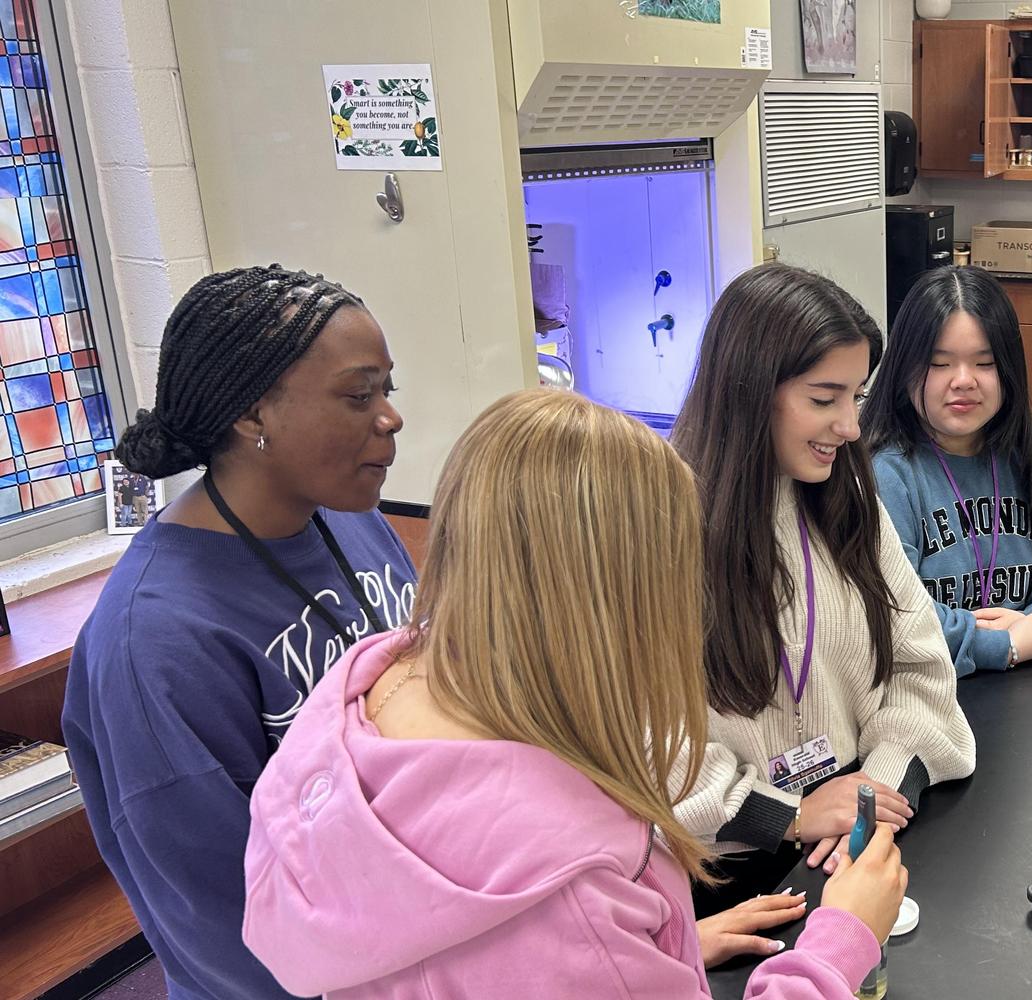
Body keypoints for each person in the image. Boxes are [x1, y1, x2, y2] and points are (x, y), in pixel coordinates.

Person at [242, 390, 905, 998]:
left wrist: (652, 950)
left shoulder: (364, 692)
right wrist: (840, 941)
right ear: (618, 598)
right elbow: (555, 938)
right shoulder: (573, 891)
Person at [61, 266, 416, 1000]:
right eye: (359, 396)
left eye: (388, 390)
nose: (390, 418)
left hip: (419, 935)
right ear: (253, 415)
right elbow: (219, 915)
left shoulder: (350, 519)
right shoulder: (152, 640)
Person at [672, 263, 977, 911]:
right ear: (748, 392)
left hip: (850, 837)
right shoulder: (659, 525)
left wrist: (873, 795)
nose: (850, 426)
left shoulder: (849, 495)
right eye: (823, 399)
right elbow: (640, 743)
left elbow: (920, 670)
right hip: (717, 880)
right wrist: (786, 815)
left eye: (856, 397)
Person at [863, 266, 1032, 676]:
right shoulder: (887, 473)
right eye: (939, 363)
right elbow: (892, 612)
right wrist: (999, 645)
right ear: (904, 369)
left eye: (985, 362)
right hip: (930, 690)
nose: (964, 381)